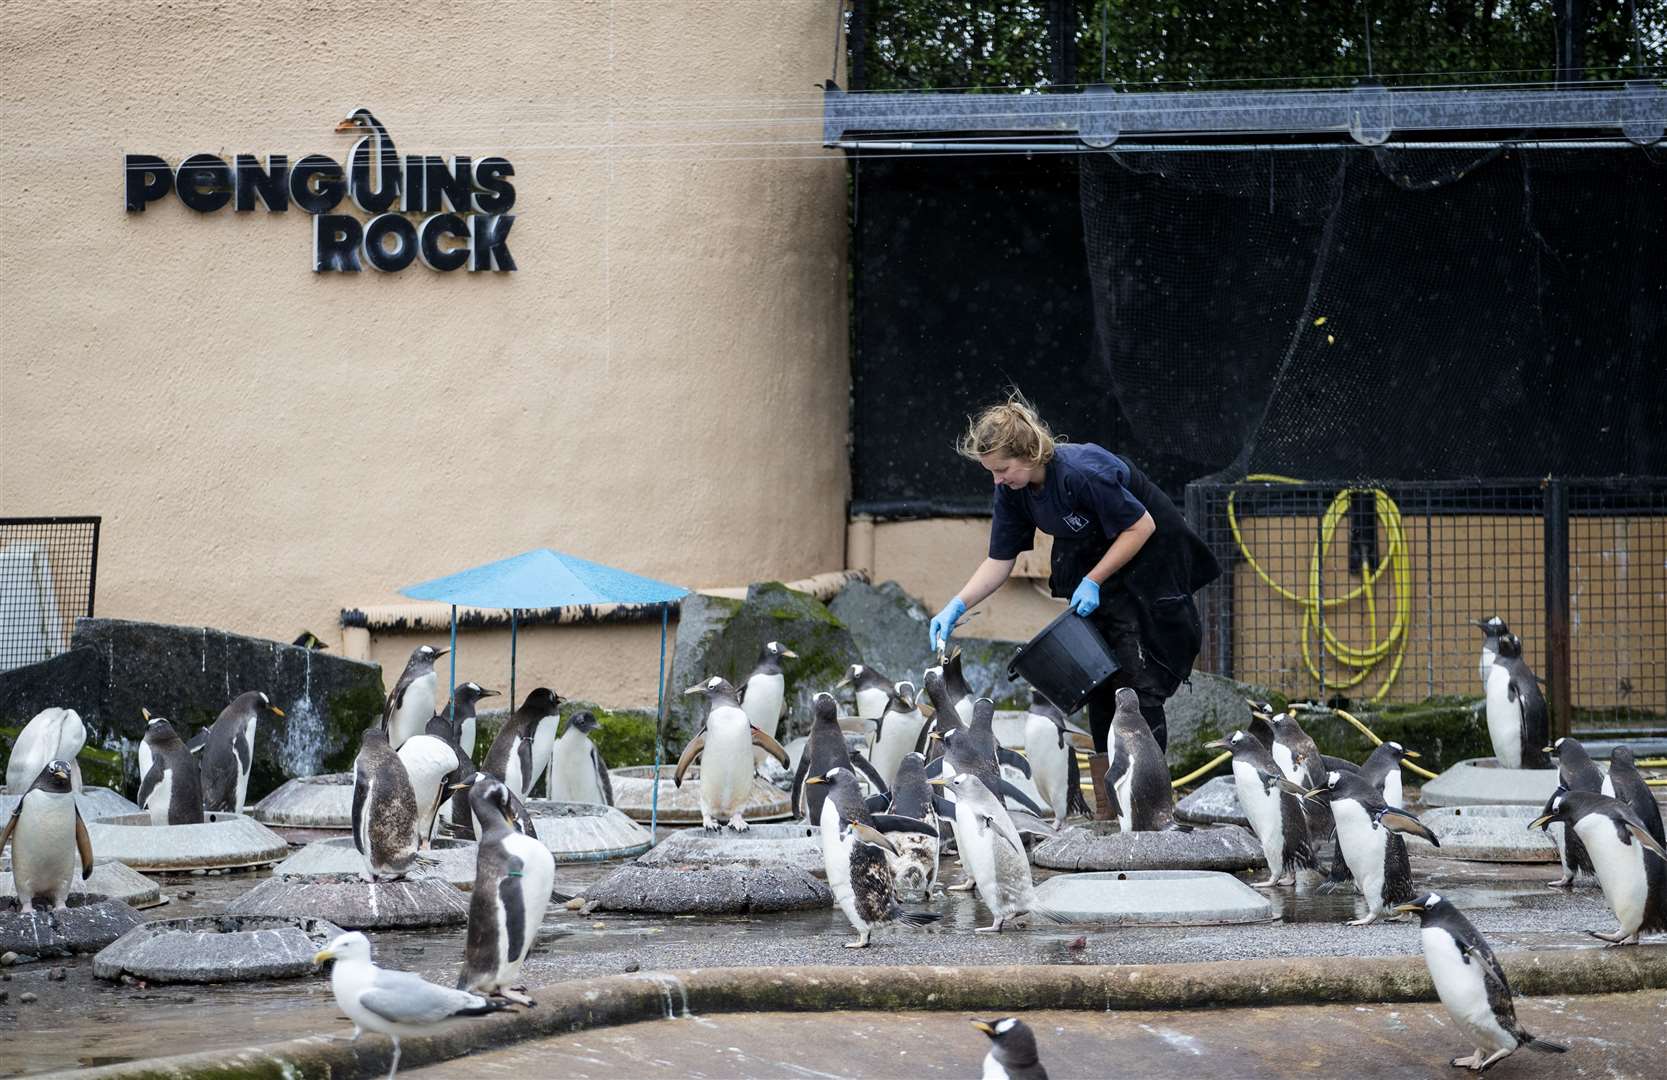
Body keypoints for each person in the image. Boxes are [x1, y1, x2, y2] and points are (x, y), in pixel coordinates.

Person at [928, 392, 1219, 818]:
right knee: (1099, 680)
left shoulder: (1083, 471)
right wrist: (956, 604)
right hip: (1098, 571)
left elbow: (1141, 526)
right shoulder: (1015, 489)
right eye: (991, 471)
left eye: (1002, 469)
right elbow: (1000, 560)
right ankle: (1113, 807)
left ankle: (1152, 807)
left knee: (1138, 684)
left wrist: (1093, 580)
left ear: (1029, 454)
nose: (997, 480)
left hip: (1151, 564)